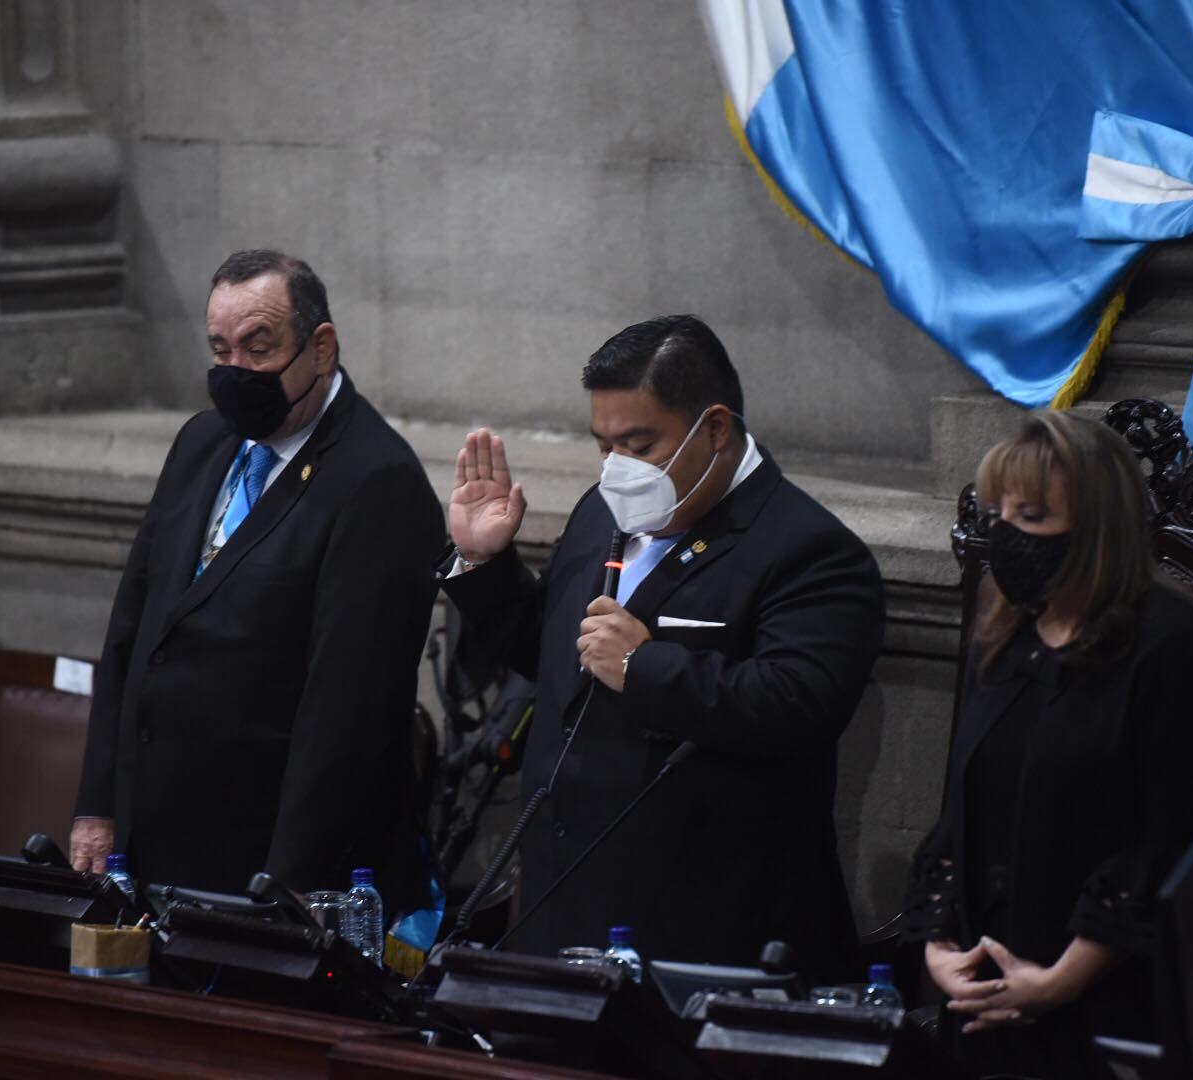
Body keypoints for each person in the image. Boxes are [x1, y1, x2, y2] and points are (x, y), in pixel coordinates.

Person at [439, 314, 884, 978]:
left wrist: (646, 666)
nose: (618, 469)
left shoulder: (808, 550)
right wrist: (483, 567)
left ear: (715, 428)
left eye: (639, 445)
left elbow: (800, 707)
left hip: (697, 927)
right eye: (603, 446)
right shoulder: (603, 510)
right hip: (561, 905)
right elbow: (565, 659)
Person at [70, 250, 444, 914]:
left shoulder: (376, 482)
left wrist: (290, 879)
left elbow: (349, 711)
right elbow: (132, 634)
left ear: (321, 348)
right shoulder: (201, 443)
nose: (235, 371)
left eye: (258, 348)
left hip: (262, 862)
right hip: (148, 843)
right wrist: (98, 806)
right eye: (220, 349)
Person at [899, 410, 1193, 1079]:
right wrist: (940, 952)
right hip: (983, 989)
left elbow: (1168, 841)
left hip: (1109, 1006)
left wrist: (1058, 982)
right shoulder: (1005, 634)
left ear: (1097, 529)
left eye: (1033, 517)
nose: (1008, 536)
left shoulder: (1168, 644)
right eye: (1002, 514)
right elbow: (962, 816)